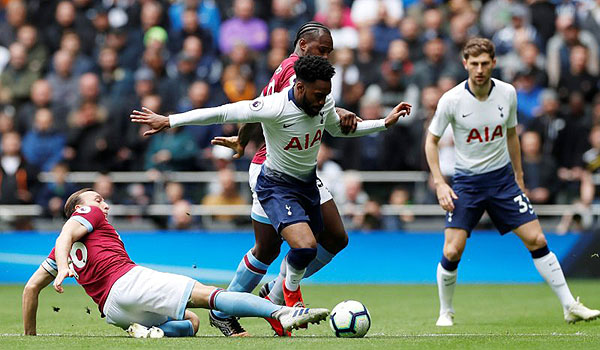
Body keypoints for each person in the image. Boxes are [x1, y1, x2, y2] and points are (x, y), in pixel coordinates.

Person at [131, 55, 411, 336]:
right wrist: (169, 121)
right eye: (318, 94)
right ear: (299, 87)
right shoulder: (275, 106)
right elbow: (223, 112)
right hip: (276, 186)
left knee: (292, 246)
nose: (323, 100)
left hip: (307, 184)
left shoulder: (322, 101)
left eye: (326, 94)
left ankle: (271, 296)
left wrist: (383, 123)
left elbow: (337, 128)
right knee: (304, 247)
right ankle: (288, 300)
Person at [424, 37, 600, 327]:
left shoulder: (507, 93)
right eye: (474, 64)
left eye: (484, 63)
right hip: (467, 182)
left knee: (537, 239)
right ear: (465, 64)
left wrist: (518, 176)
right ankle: (446, 312)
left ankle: (570, 306)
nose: (479, 69)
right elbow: (432, 142)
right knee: (452, 249)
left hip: (502, 179)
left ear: (494, 63)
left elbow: (511, 135)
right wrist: (441, 182)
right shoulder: (452, 100)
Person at [209, 22, 363, 336]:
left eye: (329, 53)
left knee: (335, 236)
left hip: (302, 170)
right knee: (266, 248)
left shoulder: (285, 68)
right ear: (303, 45)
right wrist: (341, 109)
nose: (327, 58)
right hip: (273, 170)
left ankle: (277, 291)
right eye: (322, 50)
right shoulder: (296, 72)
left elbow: (260, 107)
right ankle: (222, 309)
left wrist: (241, 141)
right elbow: (280, 106)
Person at [22, 188, 329, 337]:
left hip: (114, 312)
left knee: (191, 324)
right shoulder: (86, 215)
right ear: (79, 208)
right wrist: (64, 268)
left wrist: (30, 338)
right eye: (97, 198)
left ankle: (149, 332)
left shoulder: (61, 247)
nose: (104, 204)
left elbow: (30, 289)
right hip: (128, 283)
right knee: (211, 296)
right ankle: (283, 312)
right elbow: (65, 234)